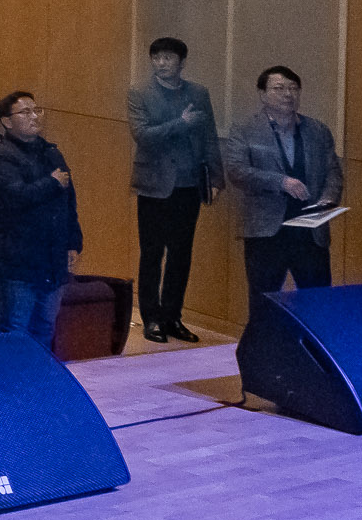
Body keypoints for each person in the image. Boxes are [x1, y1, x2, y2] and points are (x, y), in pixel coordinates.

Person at [223, 64, 344, 303]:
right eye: (279, 88)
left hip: (311, 232)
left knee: (318, 302)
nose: (288, 94)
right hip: (267, 232)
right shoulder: (245, 129)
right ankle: (264, 342)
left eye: (293, 88)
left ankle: (311, 342)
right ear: (262, 94)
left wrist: (328, 200)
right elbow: (237, 171)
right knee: (265, 302)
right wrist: (280, 181)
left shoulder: (318, 130)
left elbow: (333, 173)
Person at [125, 37, 219, 343]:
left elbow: (209, 136)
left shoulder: (198, 93)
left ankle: (172, 316)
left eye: (168, 58)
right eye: (157, 58)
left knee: (181, 254)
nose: (162, 63)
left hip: (189, 184)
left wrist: (216, 178)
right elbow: (143, 135)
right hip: (153, 185)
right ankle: (150, 317)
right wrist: (181, 123)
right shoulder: (139, 92)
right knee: (152, 253)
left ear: (181, 62)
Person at [0, 92, 81, 353]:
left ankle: (37, 386)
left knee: (46, 327)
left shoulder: (51, 153)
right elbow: (16, 197)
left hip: (52, 259)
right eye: (25, 112)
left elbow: (69, 202)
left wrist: (73, 243)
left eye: (37, 110)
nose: (34, 116)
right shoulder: (2, 157)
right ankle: (12, 388)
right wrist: (51, 183)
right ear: (6, 121)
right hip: (19, 261)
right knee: (16, 330)